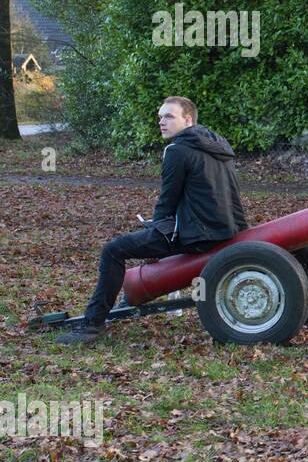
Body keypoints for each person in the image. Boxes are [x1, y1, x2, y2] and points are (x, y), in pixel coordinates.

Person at [54, 97, 249, 345]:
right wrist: (241, 232)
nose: (161, 122)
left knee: (113, 250)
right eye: (160, 117)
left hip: (199, 236)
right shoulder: (218, 146)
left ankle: (92, 326)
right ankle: (127, 300)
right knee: (145, 240)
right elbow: (232, 197)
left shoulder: (176, 150)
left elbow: (167, 200)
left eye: (169, 116)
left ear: (188, 119)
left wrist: (156, 232)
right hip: (225, 230)